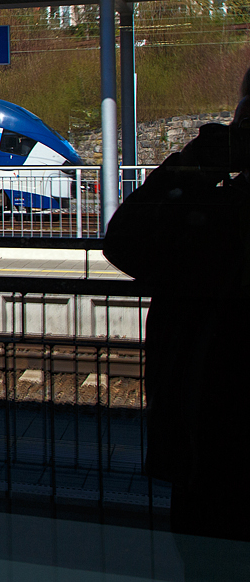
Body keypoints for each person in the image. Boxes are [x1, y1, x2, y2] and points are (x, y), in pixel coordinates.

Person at [103, 67, 250, 573]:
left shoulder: (215, 215)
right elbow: (123, 242)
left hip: (207, 450)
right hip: (203, 454)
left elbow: (124, 241)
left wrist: (189, 170)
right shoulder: (221, 210)